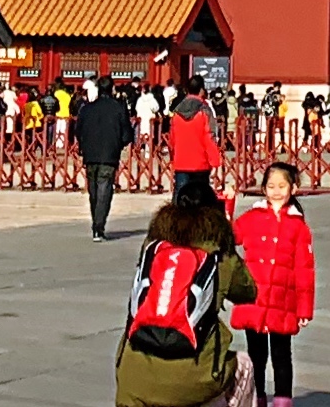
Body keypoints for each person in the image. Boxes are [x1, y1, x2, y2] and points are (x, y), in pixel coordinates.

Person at [111, 192, 251, 407]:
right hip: (194, 382)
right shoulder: (220, 255)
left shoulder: (152, 247)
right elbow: (249, 292)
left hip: (133, 381)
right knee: (245, 365)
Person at [232, 162, 315, 405]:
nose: (276, 191)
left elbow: (305, 270)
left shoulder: (298, 227)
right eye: (271, 186)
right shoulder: (251, 218)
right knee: (256, 356)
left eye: (281, 186)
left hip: (283, 302)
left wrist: (304, 308)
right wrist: (227, 205)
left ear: (293, 188)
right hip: (255, 299)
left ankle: (282, 400)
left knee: (281, 356)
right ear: (263, 189)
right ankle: (257, 397)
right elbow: (228, 236)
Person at [75, 79, 136, 241]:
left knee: (93, 190)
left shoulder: (86, 109)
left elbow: (78, 131)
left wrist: (84, 145)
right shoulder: (118, 108)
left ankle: (96, 222)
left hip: (90, 154)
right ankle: (98, 226)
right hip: (109, 154)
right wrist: (118, 144)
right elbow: (127, 134)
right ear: (112, 89)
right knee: (104, 189)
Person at [164, 88, 219, 211]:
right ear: (201, 90)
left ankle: (176, 220)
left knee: (180, 198)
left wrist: (173, 157)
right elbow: (209, 137)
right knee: (201, 200)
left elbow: (172, 139)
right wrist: (214, 160)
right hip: (201, 163)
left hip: (181, 162)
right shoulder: (204, 111)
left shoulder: (177, 113)